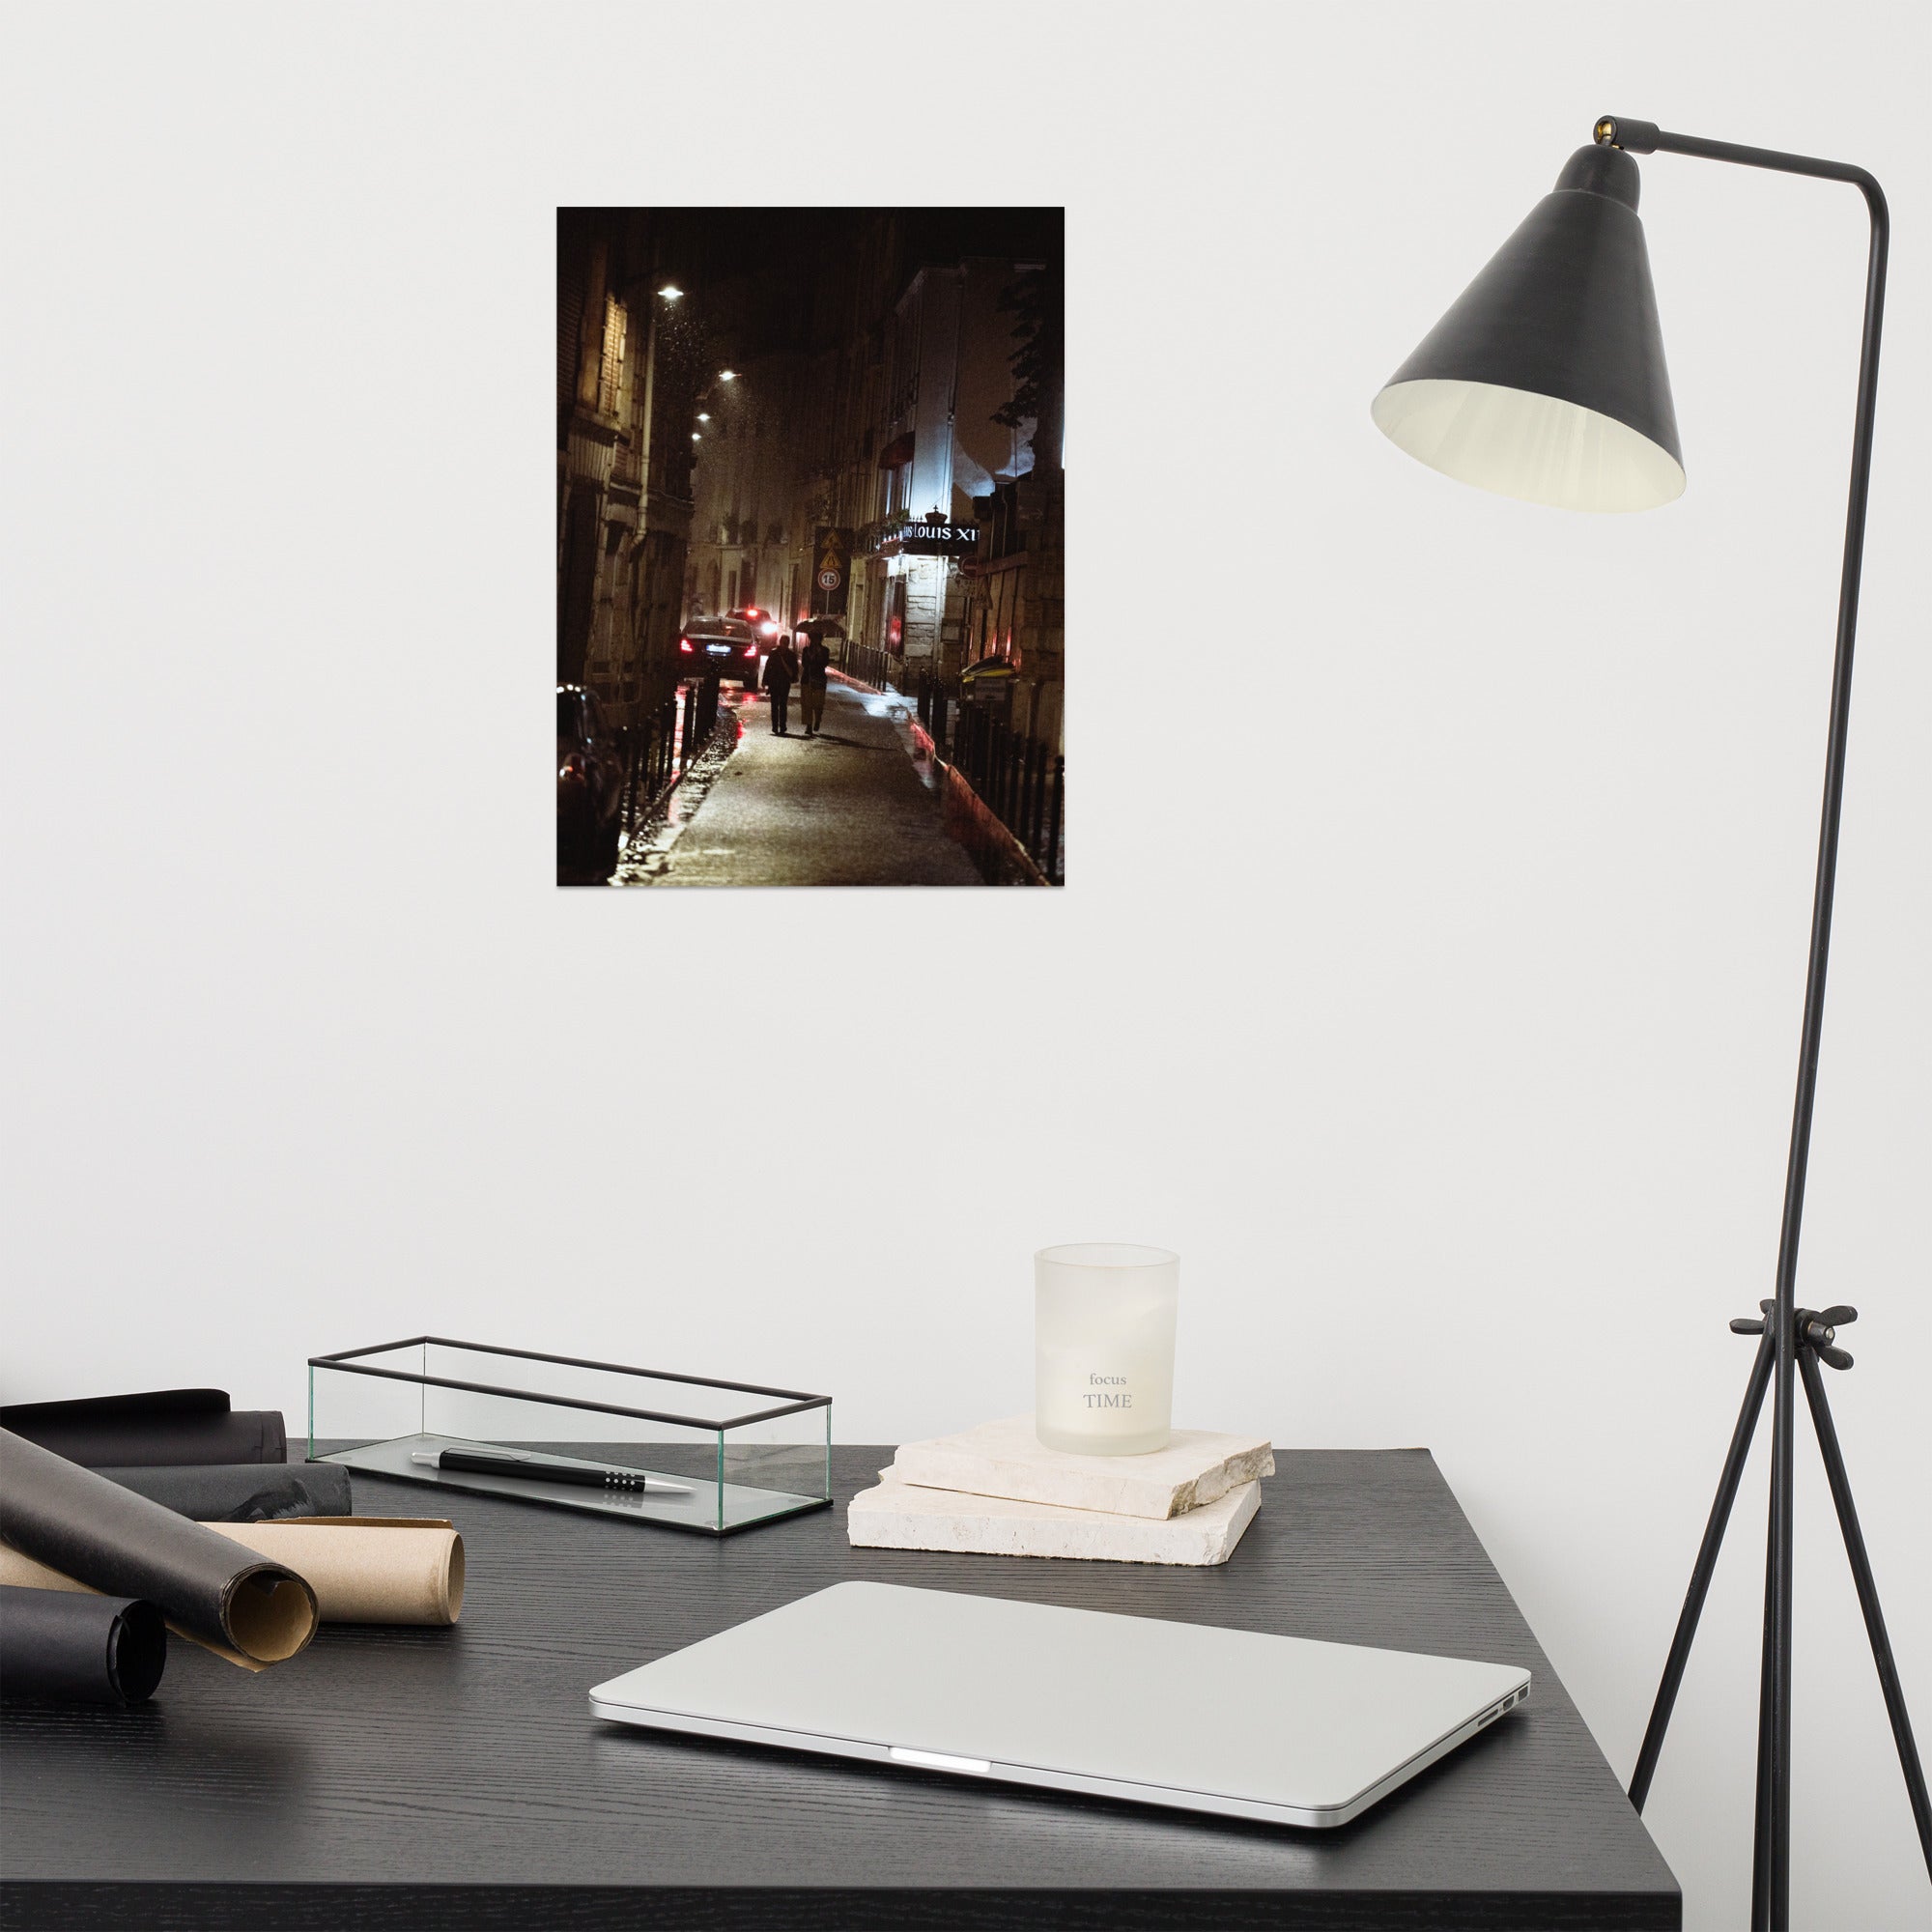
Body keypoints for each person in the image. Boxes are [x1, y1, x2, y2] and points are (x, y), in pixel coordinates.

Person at [762, 635, 799, 735]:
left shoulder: (791, 655)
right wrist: (765, 680)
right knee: (774, 705)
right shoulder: (774, 653)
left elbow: (794, 670)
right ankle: (775, 726)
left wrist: (793, 676)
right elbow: (768, 667)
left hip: (784, 682)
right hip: (774, 682)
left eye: (786, 643)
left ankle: (782, 726)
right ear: (780, 642)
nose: (784, 645)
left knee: (783, 705)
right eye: (783, 643)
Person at [798, 631, 832, 735]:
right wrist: (811, 657)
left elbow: (825, 664)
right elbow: (804, 663)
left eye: (817, 639)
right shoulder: (806, 650)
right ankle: (809, 726)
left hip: (819, 679)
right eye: (813, 639)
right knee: (807, 704)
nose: (814, 641)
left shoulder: (825, 650)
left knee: (818, 703)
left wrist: (819, 655)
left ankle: (817, 719)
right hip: (807, 679)